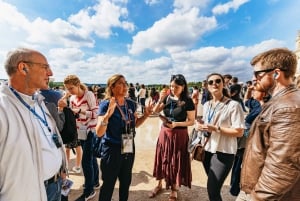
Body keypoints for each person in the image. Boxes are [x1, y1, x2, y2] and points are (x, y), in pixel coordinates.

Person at [0, 47, 66, 201]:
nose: (50, 73)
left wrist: (60, 168)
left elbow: (50, 139)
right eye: (45, 67)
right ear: (23, 68)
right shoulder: (3, 108)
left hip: (55, 185)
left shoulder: (38, 100)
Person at [237, 48, 300, 201]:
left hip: (263, 194)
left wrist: (257, 197)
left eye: (258, 74)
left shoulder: (288, 108)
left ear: (276, 74)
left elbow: (283, 166)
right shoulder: (281, 101)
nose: (254, 78)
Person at [95, 74, 153, 201]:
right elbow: (99, 132)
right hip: (112, 150)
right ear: (112, 87)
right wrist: (107, 116)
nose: (125, 86)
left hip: (128, 148)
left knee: (125, 183)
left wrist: (146, 115)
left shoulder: (131, 104)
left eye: (125, 83)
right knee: (109, 184)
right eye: (120, 83)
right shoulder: (105, 105)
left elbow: (134, 125)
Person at [195, 73, 245, 201]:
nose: (214, 84)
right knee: (214, 188)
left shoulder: (233, 105)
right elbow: (204, 122)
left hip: (224, 152)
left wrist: (216, 128)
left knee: (212, 189)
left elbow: (239, 132)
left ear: (224, 84)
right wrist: (199, 126)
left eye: (218, 81)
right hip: (207, 150)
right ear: (206, 86)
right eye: (210, 82)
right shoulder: (206, 105)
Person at [149, 74, 195, 201]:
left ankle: (174, 189)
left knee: (176, 160)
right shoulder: (167, 98)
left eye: (176, 87)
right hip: (165, 132)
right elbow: (155, 111)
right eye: (171, 86)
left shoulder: (188, 101)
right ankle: (158, 185)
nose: (173, 89)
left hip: (179, 135)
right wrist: (161, 98)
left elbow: (192, 121)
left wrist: (176, 124)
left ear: (183, 86)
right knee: (162, 157)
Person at [62, 75, 99, 201]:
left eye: (71, 88)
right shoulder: (72, 98)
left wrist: (79, 111)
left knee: (86, 161)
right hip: (80, 132)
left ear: (78, 85)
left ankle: (89, 191)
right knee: (91, 157)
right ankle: (95, 182)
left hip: (89, 131)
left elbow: (96, 114)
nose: (70, 91)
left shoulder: (88, 95)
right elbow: (74, 117)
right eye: (67, 89)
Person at [229, 82, 267, 196]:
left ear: (264, 93)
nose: (252, 92)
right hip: (245, 140)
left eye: (256, 90)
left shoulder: (267, 107)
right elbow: (246, 101)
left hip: (255, 142)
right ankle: (236, 188)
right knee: (239, 164)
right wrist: (250, 90)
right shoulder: (256, 103)